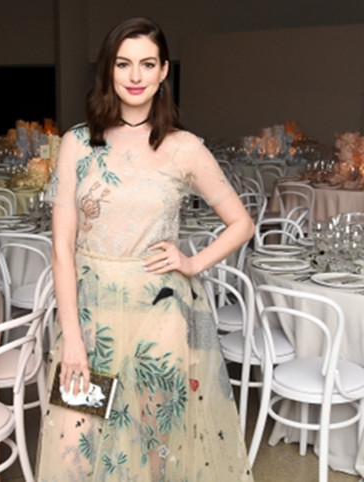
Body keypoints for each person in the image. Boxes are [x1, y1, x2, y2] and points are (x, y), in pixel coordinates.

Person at [36, 16, 255, 481]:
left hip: (160, 314)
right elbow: (62, 249)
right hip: (91, 318)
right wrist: (72, 337)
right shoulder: (77, 143)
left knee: (157, 446)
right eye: (123, 64)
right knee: (76, 448)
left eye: (147, 64)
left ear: (163, 71)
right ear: (108, 70)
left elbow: (242, 223)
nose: (135, 76)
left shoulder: (184, 147)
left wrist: (192, 262)